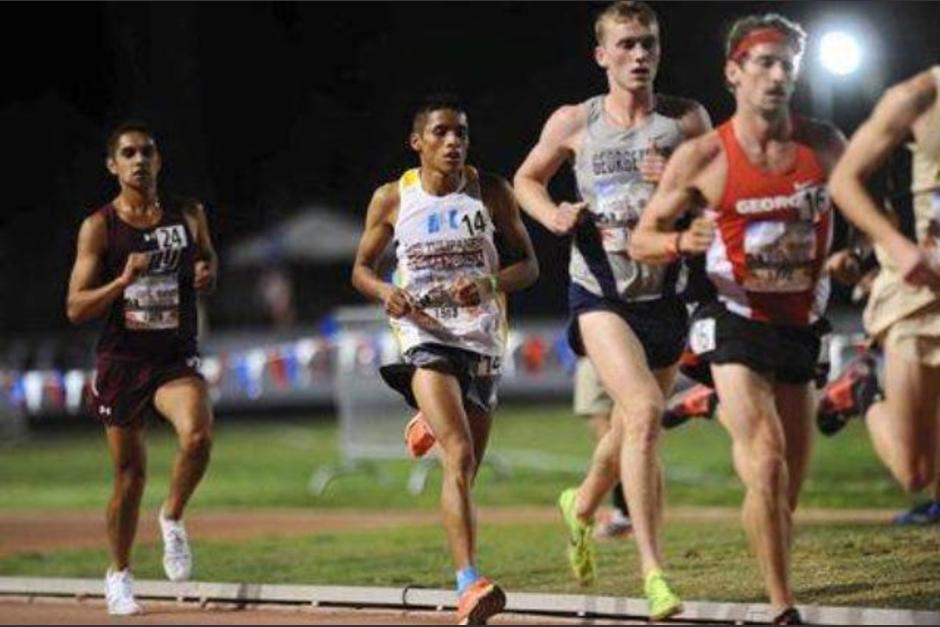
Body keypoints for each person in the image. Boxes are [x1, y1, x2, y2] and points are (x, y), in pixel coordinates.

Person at [630, 13, 847, 625]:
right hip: (733, 317)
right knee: (768, 459)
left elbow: (863, 209)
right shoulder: (704, 157)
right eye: (765, 63)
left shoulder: (824, 144)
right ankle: (782, 607)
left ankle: (710, 405)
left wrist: (857, 257)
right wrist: (681, 242)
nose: (778, 76)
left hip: (801, 324)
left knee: (786, 494)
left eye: (788, 65)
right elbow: (644, 239)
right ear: (734, 73)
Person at [513, 1, 710, 620]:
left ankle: (580, 502)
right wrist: (552, 216)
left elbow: (719, 198)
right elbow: (526, 179)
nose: (639, 56)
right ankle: (654, 574)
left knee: (628, 426)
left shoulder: (686, 120)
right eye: (625, 45)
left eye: (648, 44)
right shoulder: (575, 121)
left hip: (665, 296)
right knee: (646, 413)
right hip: (599, 294)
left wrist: (680, 187)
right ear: (602, 55)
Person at [351, 94, 539, 625]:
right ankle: (469, 583)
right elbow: (361, 269)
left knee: (467, 468)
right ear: (418, 142)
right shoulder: (394, 197)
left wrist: (487, 282)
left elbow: (528, 266)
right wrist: (383, 291)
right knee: (456, 456)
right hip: (424, 336)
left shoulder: (491, 191)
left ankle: (427, 418)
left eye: (461, 133)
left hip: (481, 338)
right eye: (441, 133)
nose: (453, 141)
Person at [66, 121, 218, 615]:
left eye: (146, 152)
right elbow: (75, 307)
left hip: (173, 356)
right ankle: (119, 575)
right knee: (129, 475)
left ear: (159, 160)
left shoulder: (188, 213)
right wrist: (121, 280)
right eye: (127, 153)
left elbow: (208, 264)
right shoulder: (100, 227)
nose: (138, 160)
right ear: (113, 165)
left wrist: (204, 272)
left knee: (197, 436)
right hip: (123, 360)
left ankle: (171, 517)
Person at [826, 67, 940, 522]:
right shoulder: (916, 96)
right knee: (914, 471)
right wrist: (895, 247)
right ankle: (861, 393)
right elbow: (843, 182)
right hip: (920, 291)